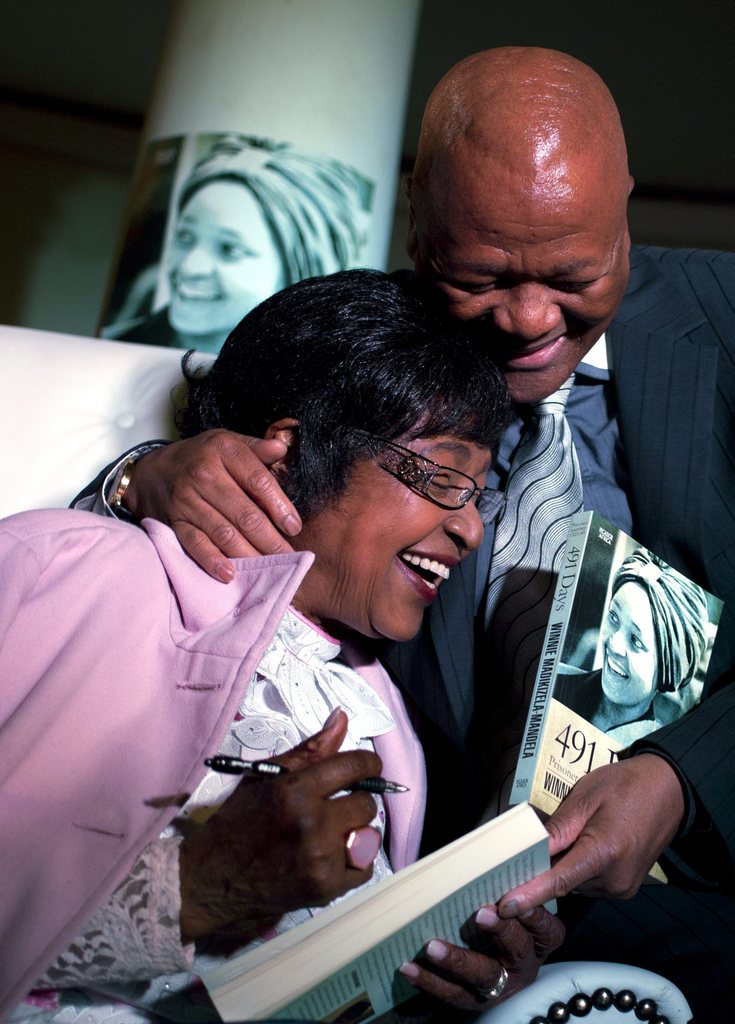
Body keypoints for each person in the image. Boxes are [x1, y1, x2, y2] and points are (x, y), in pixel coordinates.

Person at [75, 48, 735, 1015]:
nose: (525, 319)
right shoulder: (367, 349)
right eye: (482, 274)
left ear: (625, 203)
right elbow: (206, 432)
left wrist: (681, 779)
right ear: (418, 214)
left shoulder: (723, 323)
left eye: (571, 273)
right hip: (453, 932)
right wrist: (142, 474)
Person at [3, 270, 567, 1022]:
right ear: (291, 454)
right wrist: (197, 890)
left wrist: (454, 974)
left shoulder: (385, 713)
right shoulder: (66, 564)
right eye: (440, 477)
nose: (469, 528)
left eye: (479, 493)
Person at [104, 134, 372, 353]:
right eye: (184, 237)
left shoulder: (324, 396)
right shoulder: (111, 347)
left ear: (297, 272)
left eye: (229, 250)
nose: (190, 267)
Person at [556, 548, 713, 744]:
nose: (614, 644)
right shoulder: (554, 681)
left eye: (636, 641)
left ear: (667, 669)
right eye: (614, 617)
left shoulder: (657, 752)